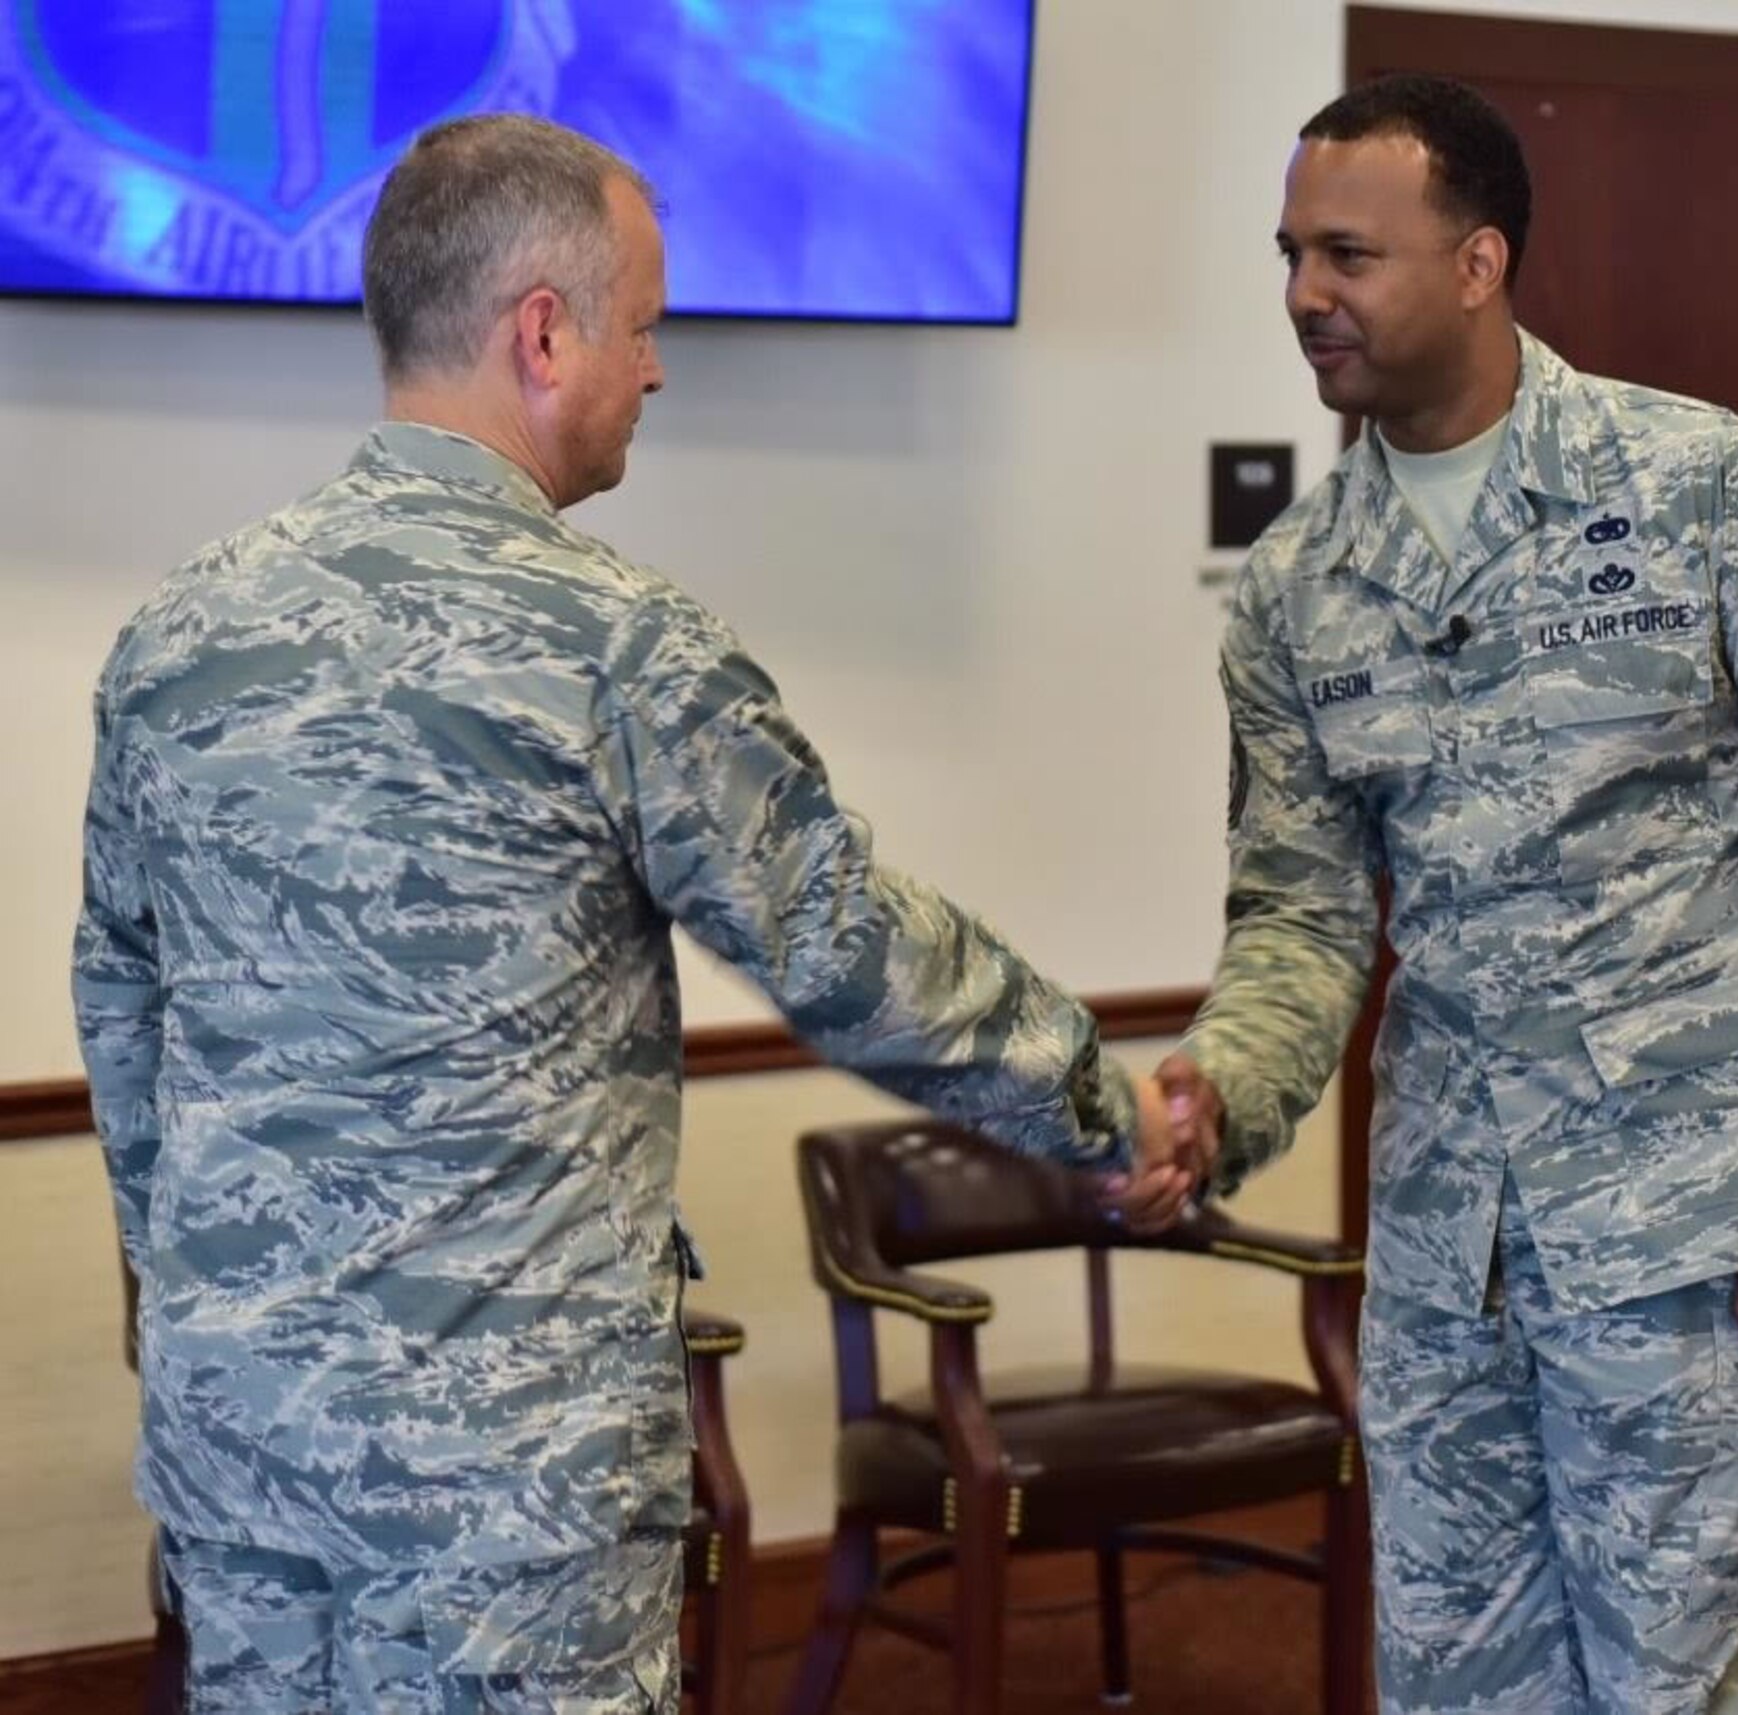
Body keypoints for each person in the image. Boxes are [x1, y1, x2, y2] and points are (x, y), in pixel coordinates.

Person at [72, 114, 1192, 1714]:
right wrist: (1100, 1101)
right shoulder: (616, 646)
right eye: (646, 328)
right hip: (500, 1483)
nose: (655, 372)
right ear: (545, 330)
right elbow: (851, 951)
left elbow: (121, 1001)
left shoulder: (178, 634)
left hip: (239, 1443)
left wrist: (200, 1290)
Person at [1156, 74, 1738, 1712]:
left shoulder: (1713, 493)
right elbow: (1299, 915)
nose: (1306, 294)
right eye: (1290, 253)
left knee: (1670, 1689)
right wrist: (1217, 1091)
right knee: (1451, 1689)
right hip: (1448, 1260)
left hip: (1689, 1250)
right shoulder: (1298, 588)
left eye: (1349, 254)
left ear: (1480, 261)